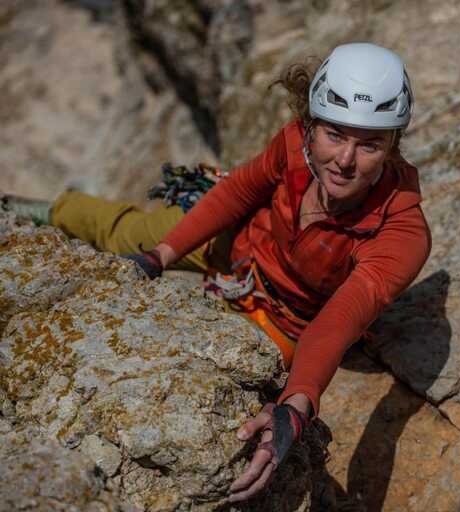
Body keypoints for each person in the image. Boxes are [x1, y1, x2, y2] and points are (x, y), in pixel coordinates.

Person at [2, 42, 431, 502]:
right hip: (239, 244)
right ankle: (33, 210)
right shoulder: (292, 145)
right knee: (134, 232)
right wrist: (160, 255)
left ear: (392, 147)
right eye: (334, 135)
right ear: (310, 127)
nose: (345, 160)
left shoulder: (402, 233)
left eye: (369, 145)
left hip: (285, 319)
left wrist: (296, 404)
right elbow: (241, 191)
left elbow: (340, 319)